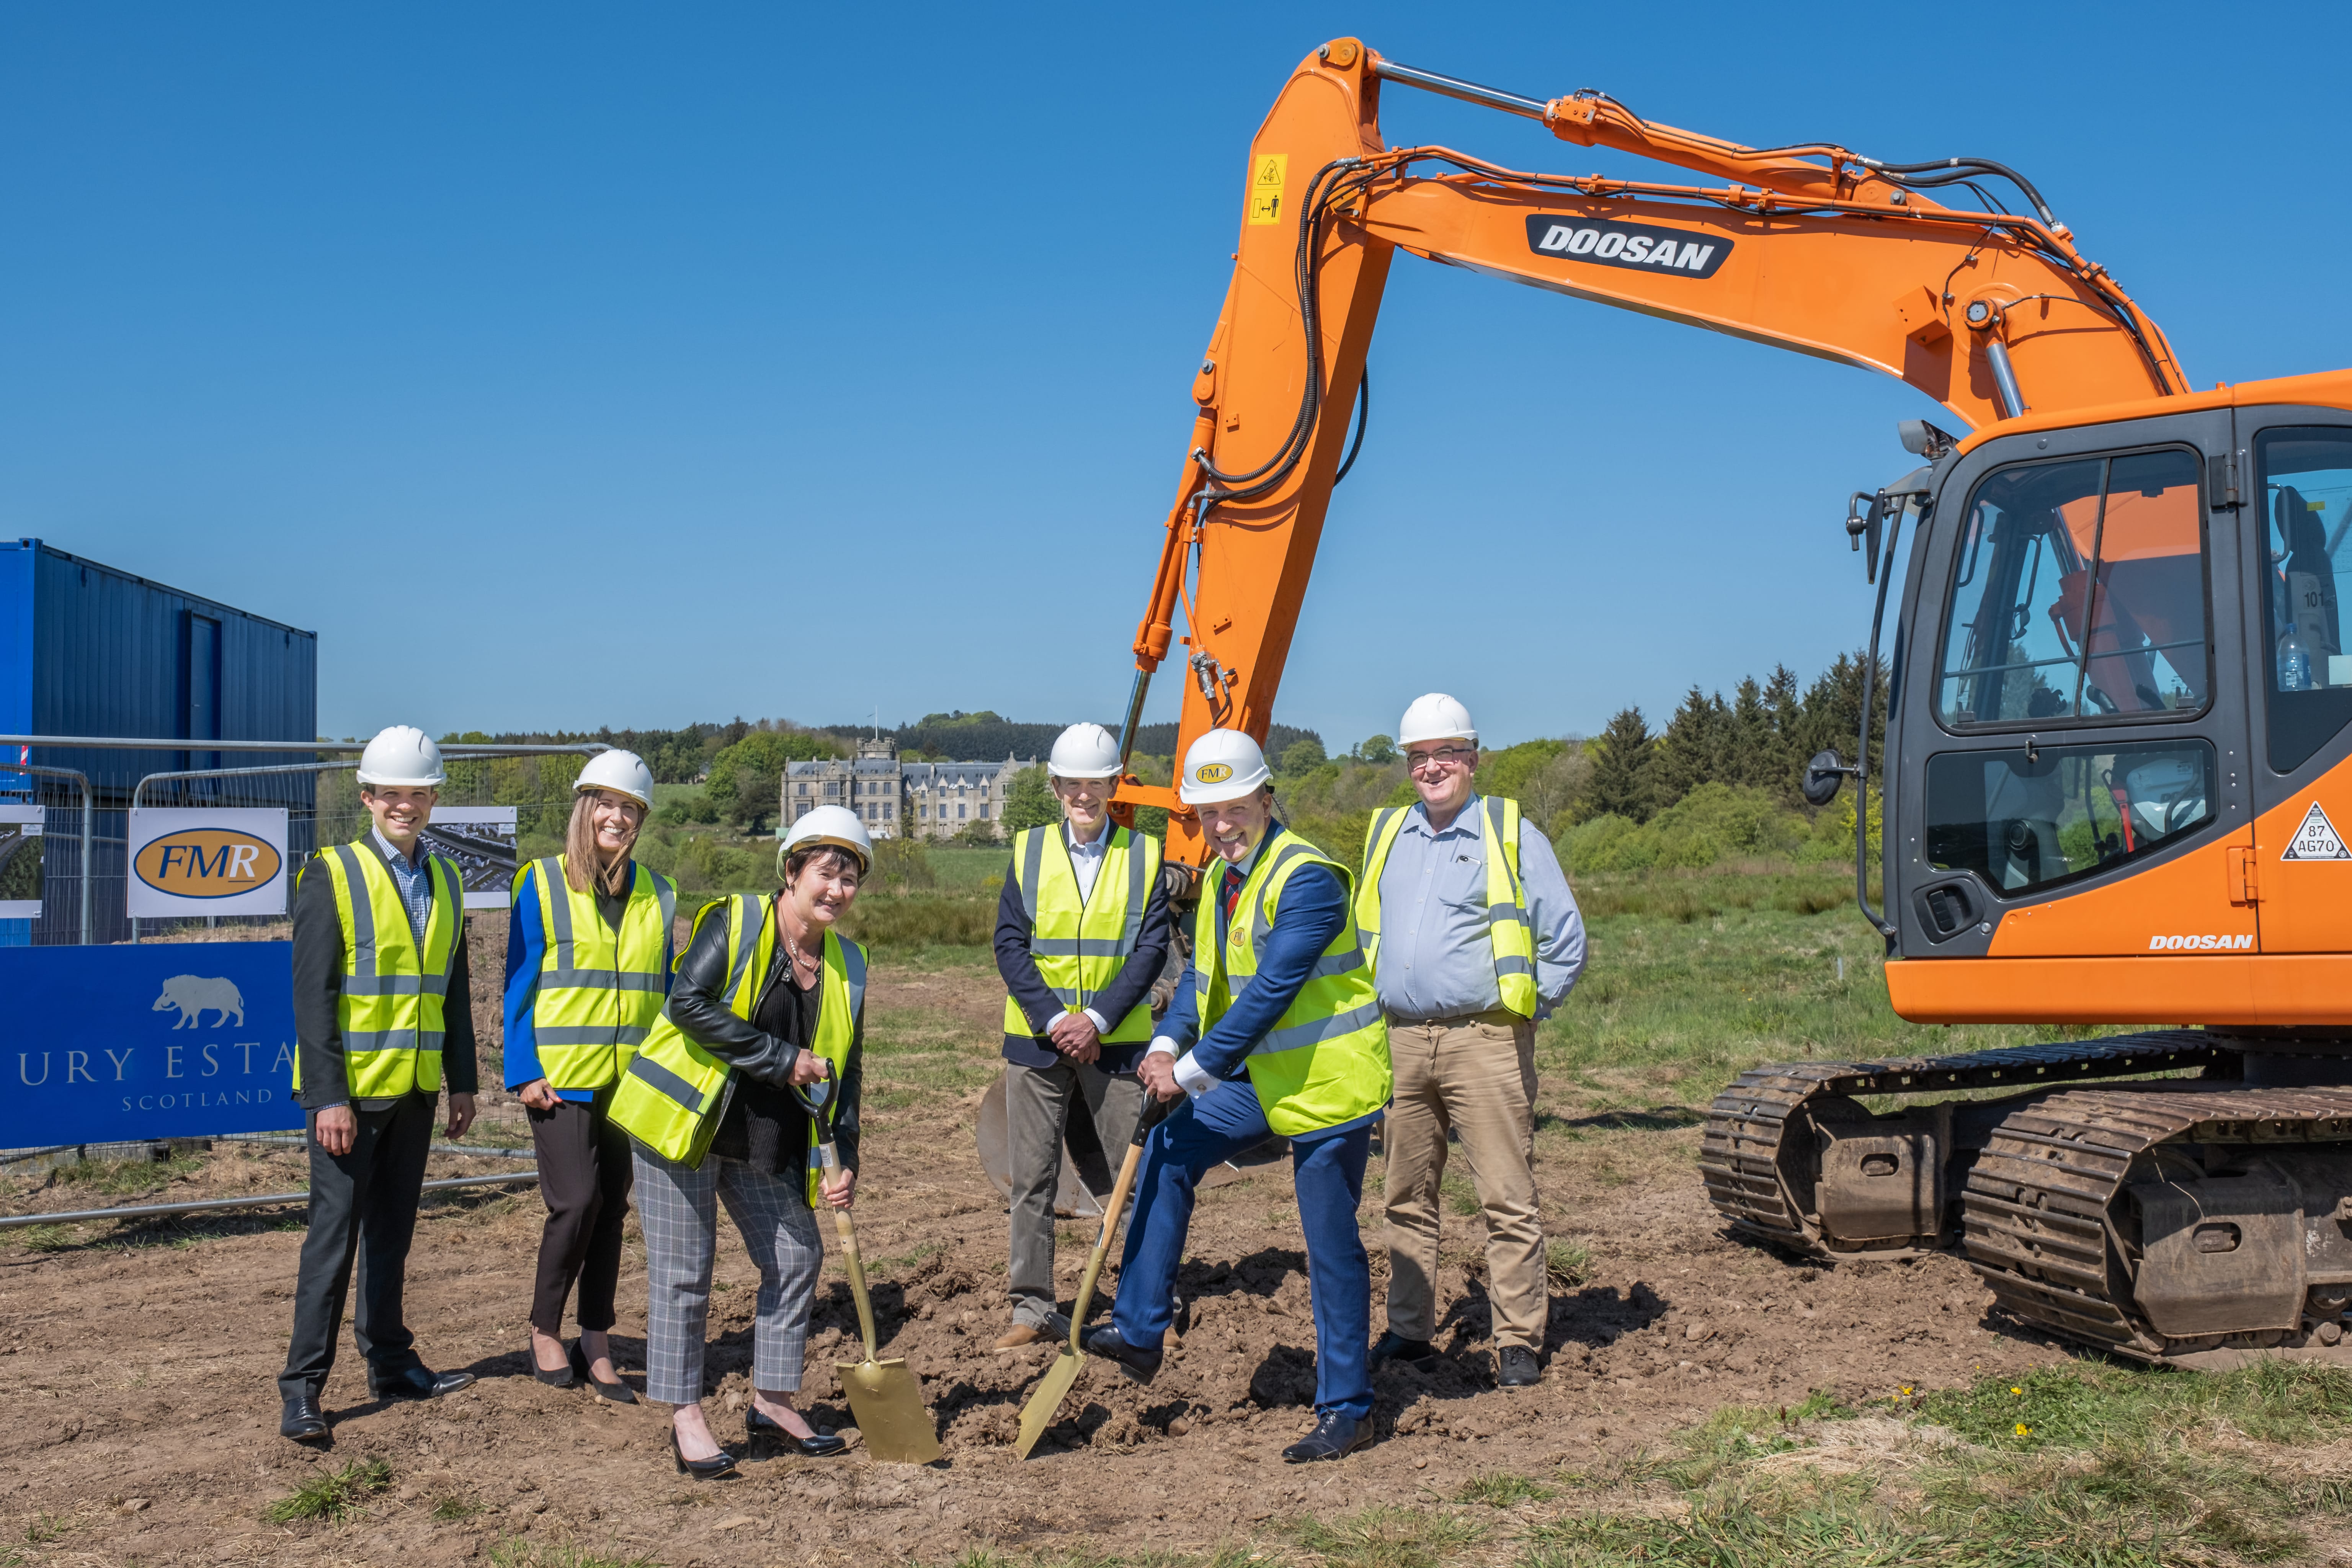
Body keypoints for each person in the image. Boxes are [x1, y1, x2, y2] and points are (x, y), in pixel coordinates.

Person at [1084, 729, 1392, 1463]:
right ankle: (1139, 1329)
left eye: (1232, 808)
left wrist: (1190, 1073)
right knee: (1169, 1147)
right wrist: (1166, 1042)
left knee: (1329, 1244)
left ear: (1265, 797)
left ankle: (1348, 1408)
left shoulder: (1310, 878)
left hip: (1327, 1085)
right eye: (1205, 814)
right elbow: (1202, 980)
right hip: (1259, 1079)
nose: (1220, 826)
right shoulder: (1224, 880)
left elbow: (1272, 993)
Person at [608, 805, 870, 1479]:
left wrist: (844, 1164)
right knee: (684, 1274)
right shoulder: (738, 920)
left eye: (850, 879)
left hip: (762, 1137)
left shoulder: (850, 964)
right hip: (682, 1125)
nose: (837, 890)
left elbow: (848, 1073)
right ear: (791, 871)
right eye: (826, 873)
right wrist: (781, 1059)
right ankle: (686, 1416)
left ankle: (773, 1400)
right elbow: (687, 1005)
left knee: (796, 1254)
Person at [1357, 694, 1588, 1389]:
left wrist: (1524, 1014)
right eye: (1420, 758)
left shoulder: (1509, 832)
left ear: (1473, 758)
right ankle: (1408, 1330)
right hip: (1398, 1041)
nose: (1433, 768)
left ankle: (1517, 1336)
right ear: (1408, 767)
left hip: (1484, 1039)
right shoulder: (1387, 835)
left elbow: (1566, 941)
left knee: (1506, 1197)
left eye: (1447, 754)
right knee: (1405, 1195)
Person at [278, 725, 481, 1443]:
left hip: (419, 1091)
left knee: (392, 1236)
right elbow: (313, 996)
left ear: (433, 800)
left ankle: (391, 1361)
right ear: (367, 797)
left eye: (417, 794)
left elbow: (451, 988)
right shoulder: (330, 873)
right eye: (391, 793)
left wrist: (463, 1081)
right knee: (333, 1242)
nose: (406, 805)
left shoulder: (447, 878)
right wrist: (327, 1095)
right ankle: (302, 1388)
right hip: (352, 1099)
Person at [991, 722, 1172, 1349]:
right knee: (1031, 1180)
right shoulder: (1028, 849)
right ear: (1056, 786)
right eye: (1073, 785)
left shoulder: (1145, 855)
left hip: (1117, 1043)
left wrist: (1095, 1020)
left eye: (1096, 784)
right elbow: (1009, 945)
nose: (1084, 796)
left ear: (1113, 786)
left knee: (1140, 1178)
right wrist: (1055, 1021)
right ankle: (1031, 1310)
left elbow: (1151, 949)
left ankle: (1149, 1308)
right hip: (1037, 1044)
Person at [504, 749, 676, 1401]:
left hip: (629, 1082)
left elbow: (659, 993)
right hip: (561, 1077)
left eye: (631, 808)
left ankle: (596, 1338)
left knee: (611, 1210)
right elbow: (519, 982)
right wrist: (523, 1070)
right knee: (576, 1202)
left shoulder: (659, 893)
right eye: (607, 804)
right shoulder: (541, 883)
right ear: (586, 809)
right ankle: (544, 1327)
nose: (619, 817)